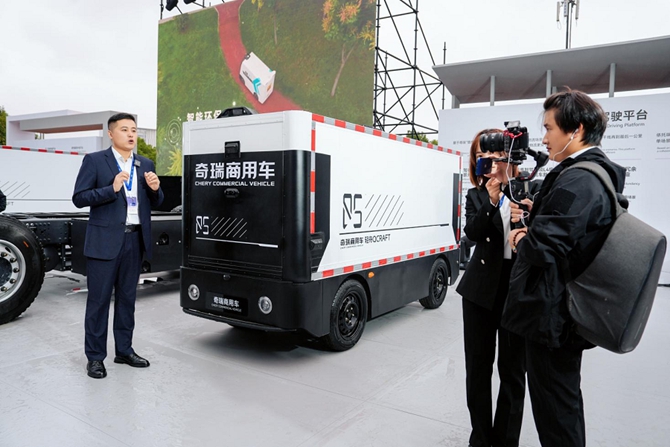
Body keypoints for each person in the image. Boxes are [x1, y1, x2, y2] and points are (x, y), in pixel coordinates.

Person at [502, 89, 626, 446]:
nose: (544, 138)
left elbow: (545, 247)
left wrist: (520, 237)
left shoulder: (579, 179)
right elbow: (568, 232)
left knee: (556, 415)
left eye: (549, 128)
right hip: (559, 314)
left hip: (552, 318)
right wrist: (538, 212)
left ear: (577, 129)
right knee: (562, 406)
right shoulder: (589, 175)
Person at [456, 129, 540, 447]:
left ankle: (506, 440)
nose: (488, 161)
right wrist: (492, 201)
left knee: (513, 371)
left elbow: (545, 238)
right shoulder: (476, 195)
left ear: (509, 156)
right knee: (478, 370)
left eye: (494, 156)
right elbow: (473, 234)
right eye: (482, 157)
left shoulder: (531, 189)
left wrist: (529, 214)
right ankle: (480, 438)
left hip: (517, 291)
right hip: (479, 291)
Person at [72, 113, 164, 379]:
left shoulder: (145, 163)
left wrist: (156, 189)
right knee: (98, 302)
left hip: (134, 239)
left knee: (127, 300)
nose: (131, 134)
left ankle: (124, 350)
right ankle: (95, 358)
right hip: (104, 242)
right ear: (111, 134)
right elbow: (79, 198)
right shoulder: (95, 161)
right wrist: (110, 189)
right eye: (124, 129)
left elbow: (157, 201)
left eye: (134, 130)